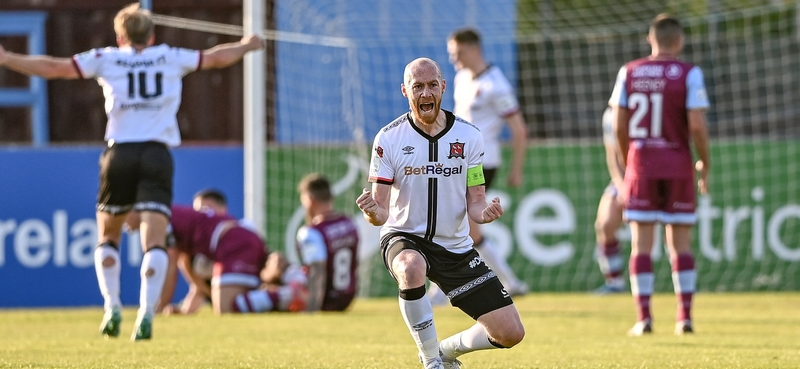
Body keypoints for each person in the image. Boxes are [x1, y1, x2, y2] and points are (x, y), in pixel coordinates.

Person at [0, 3, 264, 340]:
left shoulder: (107, 58)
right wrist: (246, 45)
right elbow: (214, 57)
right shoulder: (169, 56)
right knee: (155, 239)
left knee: (108, 235)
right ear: (152, 35)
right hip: (157, 153)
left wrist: (8, 58)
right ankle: (146, 312)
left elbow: (55, 68)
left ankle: (111, 306)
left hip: (120, 152)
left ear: (119, 35)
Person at [356, 58, 525, 369]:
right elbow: (380, 213)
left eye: (432, 85)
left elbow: (475, 200)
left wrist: (484, 213)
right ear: (404, 90)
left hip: (455, 247)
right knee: (410, 267)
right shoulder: (388, 139)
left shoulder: (470, 137)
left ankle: (445, 352)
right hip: (404, 236)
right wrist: (371, 212)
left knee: (511, 333)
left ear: (443, 88)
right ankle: (431, 360)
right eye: (417, 86)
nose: (425, 92)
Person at [608, 14, 710, 336]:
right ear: (679, 41)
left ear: (650, 39)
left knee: (641, 245)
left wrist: (629, 161)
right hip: (678, 165)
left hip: (642, 166)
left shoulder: (630, 71)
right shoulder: (689, 73)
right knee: (680, 244)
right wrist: (705, 162)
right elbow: (696, 125)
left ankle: (644, 319)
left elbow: (618, 125)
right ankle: (685, 318)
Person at [446, 27, 529, 297]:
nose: (454, 59)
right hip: (459, 161)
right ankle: (510, 282)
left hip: (482, 163)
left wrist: (516, 170)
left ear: (474, 49)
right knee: (464, 227)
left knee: (454, 222)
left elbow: (519, 130)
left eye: (457, 53)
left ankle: (441, 290)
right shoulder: (461, 78)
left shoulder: (496, 85)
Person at [126, 206, 306, 316]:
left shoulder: (160, 220)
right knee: (227, 298)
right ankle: (288, 284)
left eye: (122, 212)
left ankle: (287, 294)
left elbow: (169, 269)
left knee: (226, 308)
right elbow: (186, 267)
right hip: (236, 240)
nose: (122, 223)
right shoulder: (176, 222)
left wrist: (156, 309)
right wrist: (187, 309)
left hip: (232, 243)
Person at [295, 173, 359, 312]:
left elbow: (317, 271)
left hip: (325, 300)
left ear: (310, 200)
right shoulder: (349, 223)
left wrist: (311, 310)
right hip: (346, 297)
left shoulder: (311, 232)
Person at [592, 106, 626, 294]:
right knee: (605, 224)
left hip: (652, 174)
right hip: (624, 176)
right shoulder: (611, 114)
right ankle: (615, 283)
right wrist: (622, 187)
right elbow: (612, 154)